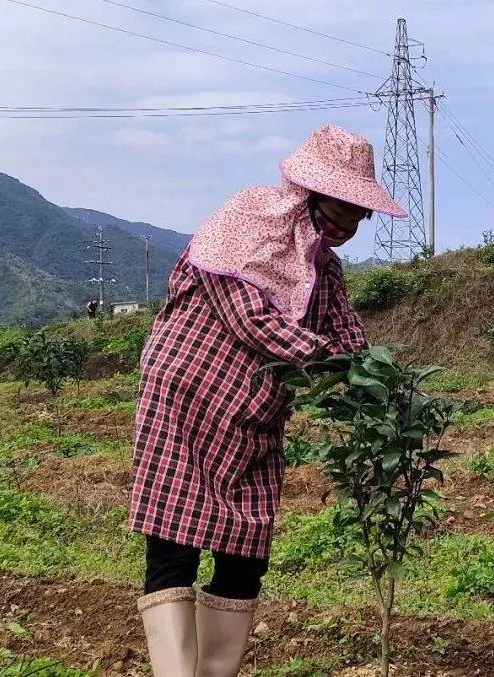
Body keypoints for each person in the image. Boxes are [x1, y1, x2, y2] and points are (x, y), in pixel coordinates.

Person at [128, 124, 406, 677]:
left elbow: (347, 334)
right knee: (174, 546)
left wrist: (382, 388)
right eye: (348, 207)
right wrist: (330, 363)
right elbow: (249, 319)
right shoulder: (247, 219)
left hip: (252, 416)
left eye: (361, 213)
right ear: (313, 190)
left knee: (245, 550)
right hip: (186, 397)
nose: (353, 222)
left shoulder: (323, 267)